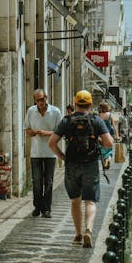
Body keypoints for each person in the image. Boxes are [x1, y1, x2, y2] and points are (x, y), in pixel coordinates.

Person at [49, 90, 113, 247]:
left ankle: (78, 234)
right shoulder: (96, 120)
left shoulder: (67, 121)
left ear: (75, 103)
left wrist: (62, 156)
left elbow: (51, 142)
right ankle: (89, 231)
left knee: (75, 201)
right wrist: (97, 141)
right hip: (90, 164)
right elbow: (109, 143)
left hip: (72, 165)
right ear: (91, 104)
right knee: (90, 201)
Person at [24, 89, 62, 218]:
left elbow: (60, 131)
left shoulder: (55, 112)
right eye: (38, 100)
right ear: (35, 100)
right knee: (37, 182)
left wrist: (47, 133)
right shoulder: (31, 111)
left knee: (49, 182)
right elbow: (27, 129)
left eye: (42, 99)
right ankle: (37, 207)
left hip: (51, 152)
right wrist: (32, 132)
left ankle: (47, 209)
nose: (41, 102)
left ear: (46, 97)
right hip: (35, 152)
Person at [98, 102, 118, 170]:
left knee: (103, 149)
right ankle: (108, 160)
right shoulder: (109, 115)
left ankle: (104, 163)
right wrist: (117, 135)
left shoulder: (99, 115)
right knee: (109, 150)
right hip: (109, 134)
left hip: (101, 135)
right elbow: (114, 126)